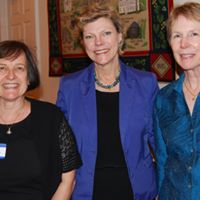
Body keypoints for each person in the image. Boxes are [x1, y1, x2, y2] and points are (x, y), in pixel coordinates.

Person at [56, 3, 158, 200]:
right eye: (90, 37)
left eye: (106, 33)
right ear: (83, 43)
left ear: (120, 36)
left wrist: (164, 187)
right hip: (86, 191)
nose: (98, 43)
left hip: (138, 190)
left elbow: (159, 143)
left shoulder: (146, 83)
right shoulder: (69, 87)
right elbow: (59, 147)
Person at [0, 40, 82, 200]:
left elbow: (68, 180)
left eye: (19, 68)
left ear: (29, 77)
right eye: (2, 68)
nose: (10, 75)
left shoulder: (51, 117)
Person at [154, 2, 200, 199]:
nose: (184, 44)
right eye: (177, 36)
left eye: (194, 34)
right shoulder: (163, 100)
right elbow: (163, 161)